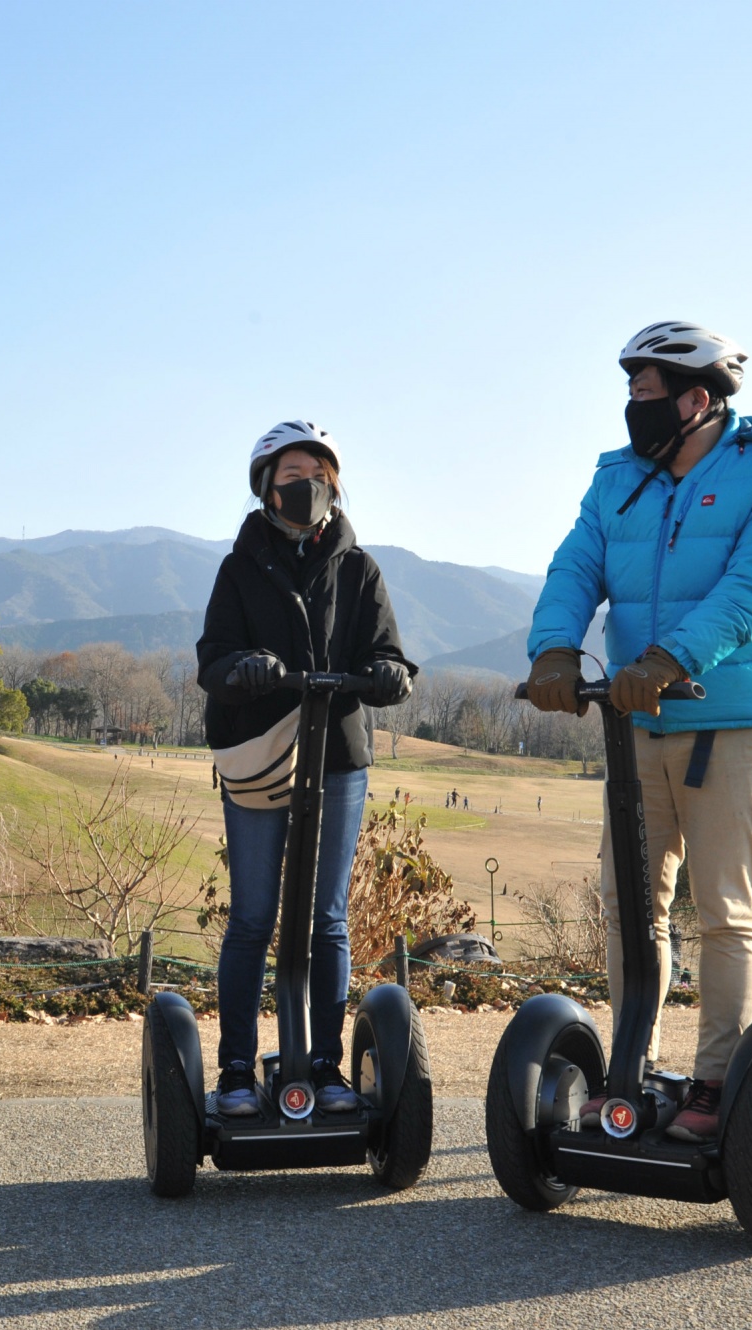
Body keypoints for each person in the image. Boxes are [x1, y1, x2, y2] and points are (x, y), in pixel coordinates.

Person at [523, 322, 752, 1143]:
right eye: (628, 393)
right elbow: (576, 564)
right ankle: (634, 1069)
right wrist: (553, 645)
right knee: (629, 905)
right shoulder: (618, 478)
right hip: (637, 715)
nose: (631, 408)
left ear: (697, 399)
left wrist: (669, 655)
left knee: (723, 907)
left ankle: (719, 1085)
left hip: (731, 716)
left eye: (645, 393)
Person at [198, 420, 417, 1116]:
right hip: (264, 755)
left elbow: (389, 651)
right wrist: (246, 668)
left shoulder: (359, 568)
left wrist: (387, 672)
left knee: (326, 919)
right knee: (255, 917)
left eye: (319, 474)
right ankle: (236, 1069)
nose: (308, 486)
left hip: (339, 757)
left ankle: (324, 1066)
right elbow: (213, 659)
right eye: (293, 474)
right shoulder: (239, 567)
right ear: (267, 485)